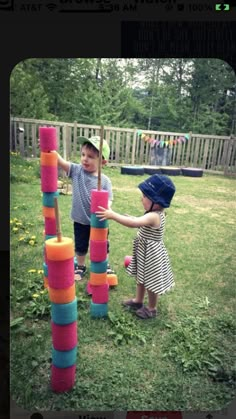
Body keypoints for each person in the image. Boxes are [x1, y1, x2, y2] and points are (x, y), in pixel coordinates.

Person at [96, 174, 176, 319]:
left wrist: (112, 215)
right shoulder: (152, 213)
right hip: (144, 252)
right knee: (141, 277)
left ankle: (151, 308)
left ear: (156, 202)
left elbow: (134, 224)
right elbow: (138, 220)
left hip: (151, 255)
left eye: (145, 196)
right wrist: (132, 217)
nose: (142, 198)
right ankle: (138, 301)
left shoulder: (154, 216)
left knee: (151, 282)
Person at [52, 135, 115, 281]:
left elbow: (109, 198)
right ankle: (80, 265)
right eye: (83, 154)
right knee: (80, 245)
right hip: (80, 219)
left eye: (91, 156)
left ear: (103, 162)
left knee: (102, 244)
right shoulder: (76, 171)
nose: (85, 159)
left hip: (98, 222)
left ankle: (104, 264)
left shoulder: (104, 181)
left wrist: (107, 208)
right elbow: (61, 162)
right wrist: (51, 150)